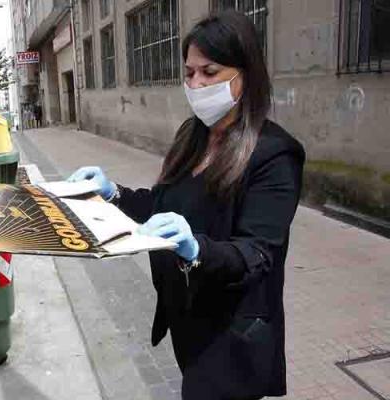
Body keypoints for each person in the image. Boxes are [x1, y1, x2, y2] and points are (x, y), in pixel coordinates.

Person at [68, 11, 305, 400]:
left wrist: (196, 249)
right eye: (189, 73)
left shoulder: (275, 155)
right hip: (188, 322)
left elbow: (257, 253)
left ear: (246, 73)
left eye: (209, 72)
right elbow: (161, 206)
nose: (196, 85)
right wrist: (113, 193)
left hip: (232, 337)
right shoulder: (192, 135)